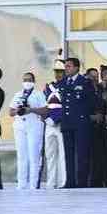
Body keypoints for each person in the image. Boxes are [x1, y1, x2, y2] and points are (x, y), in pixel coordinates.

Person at [59, 57, 96, 188]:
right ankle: (70, 181)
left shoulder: (85, 82)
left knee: (81, 154)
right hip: (67, 123)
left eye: (69, 66)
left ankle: (81, 182)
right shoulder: (62, 82)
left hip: (81, 123)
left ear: (76, 68)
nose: (66, 68)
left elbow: (92, 102)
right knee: (68, 154)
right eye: (66, 66)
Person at [9, 72, 47, 190]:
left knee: (34, 155)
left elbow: (45, 110)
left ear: (34, 81)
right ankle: (21, 184)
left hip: (34, 125)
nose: (27, 82)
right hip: (20, 125)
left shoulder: (38, 94)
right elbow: (11, 112)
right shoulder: (18, 94)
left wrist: (31, 110)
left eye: (29, 80)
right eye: (25, 80)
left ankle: (33, 184)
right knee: (21, 155)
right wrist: (19, 111)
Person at [43, 57, 66, 189]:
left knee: (62, 155)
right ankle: (51, 182)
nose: (58, 74)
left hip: (60, 124)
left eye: (60, 71)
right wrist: (45, 118)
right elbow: (46, 105)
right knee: (50, 155)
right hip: (49, 123)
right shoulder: (48, 87)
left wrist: (57, 119)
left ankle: (63, 181)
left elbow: (66, 106)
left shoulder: (66, 86)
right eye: (56, 71)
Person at [86, 67, 107, 187]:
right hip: (88, 125)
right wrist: (90, 116)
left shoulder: (101, 88)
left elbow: (105, 104)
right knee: (90, 156)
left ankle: (101, 180)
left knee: (101, 155)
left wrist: (102, 115)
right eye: (92, 76)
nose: (94, 78)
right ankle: (92, 181)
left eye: (96, 76)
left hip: (101, 126)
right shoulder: (84, 89)